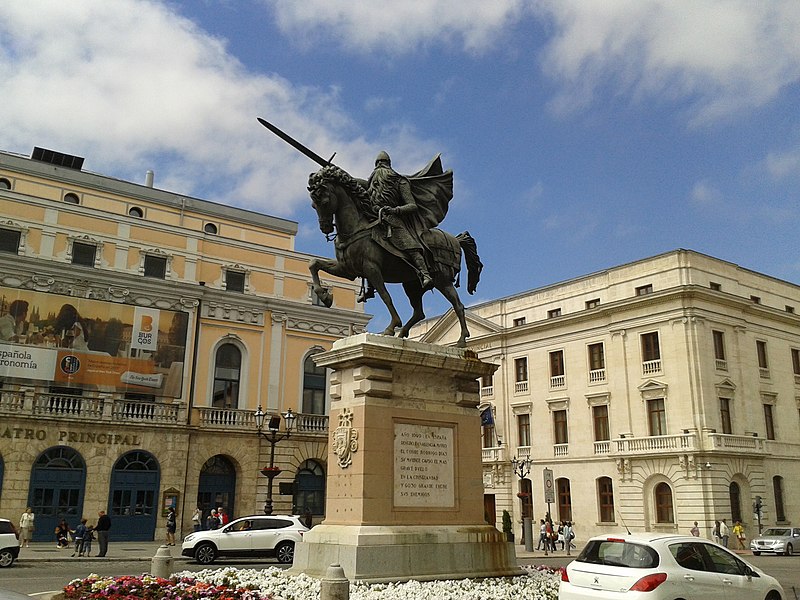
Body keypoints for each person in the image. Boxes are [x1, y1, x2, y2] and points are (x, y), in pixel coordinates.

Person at [356, 152, 453, 292]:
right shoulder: (373, 183)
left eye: (382, 163)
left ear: (388, 165)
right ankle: (370, 286)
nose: (379, 167)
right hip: (375, 219)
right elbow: (356, 184)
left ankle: (425, 273)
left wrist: (395, 210)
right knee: (364, 245)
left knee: (409, 245)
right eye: (378, 164)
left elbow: (412, 205)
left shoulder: (400, 181)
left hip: (395, 219)